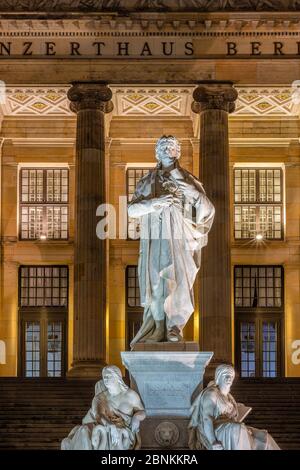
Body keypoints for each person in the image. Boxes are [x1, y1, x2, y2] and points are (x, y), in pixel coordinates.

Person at [128, 135, 215, 346]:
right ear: (157, 153)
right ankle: (158, 328)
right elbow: (131, 209)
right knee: (157, 283)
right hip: (156, 238)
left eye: (172, 147)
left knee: (179, 284)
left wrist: (190, 191)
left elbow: (207, 208)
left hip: (180, 238)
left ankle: (174, 327)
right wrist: (155, 203)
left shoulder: (189, 180)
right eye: (164, 147)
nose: (168, 150)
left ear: (178, 152)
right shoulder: (146, 182)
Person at [189, 364, 280, 450]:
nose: (229, 378)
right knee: (238, 429)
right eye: (226, 375)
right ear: (219, 377)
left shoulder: (229, 397)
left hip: (229, 426)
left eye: (231, 376)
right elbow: (206, 419)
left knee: (263, 436)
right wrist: (213, 442)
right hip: (215, 429)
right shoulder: (211, 394)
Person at [61, 365, 146, 450]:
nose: (106, 379)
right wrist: (110, 425)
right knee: (87, 432)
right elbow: (99, 415)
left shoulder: (131, 395)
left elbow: (142, 411)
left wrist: (136, 417)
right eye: (104, 377)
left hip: (124, 429)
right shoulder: (100, 397)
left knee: (116, 434)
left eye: (109, 376)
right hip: (105, 426)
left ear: (117, 377)